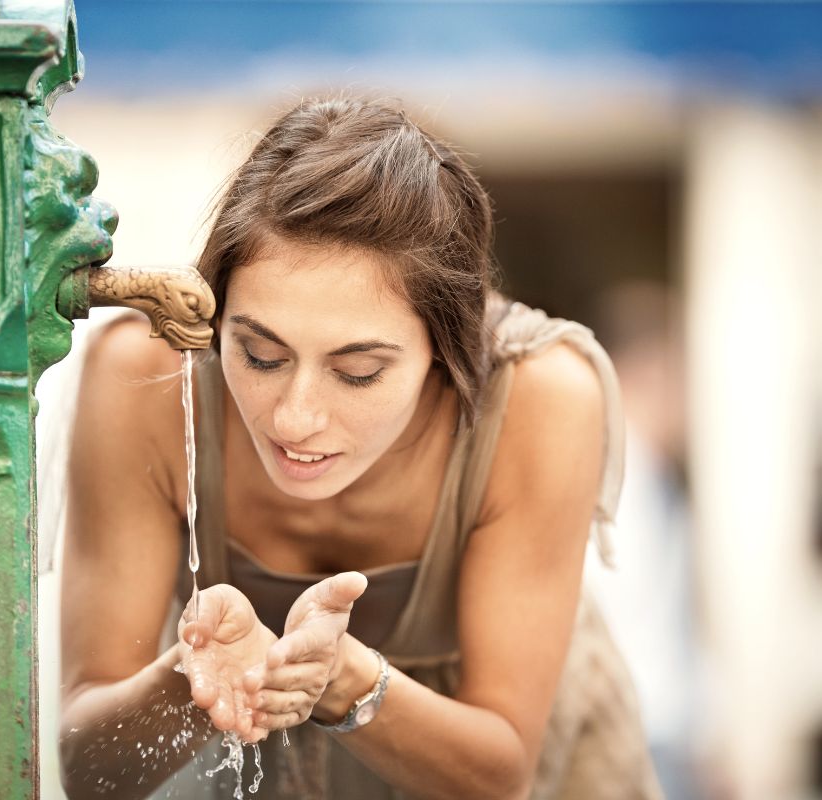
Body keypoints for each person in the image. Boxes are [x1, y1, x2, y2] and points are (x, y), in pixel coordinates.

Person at [58, 97, 662, 799]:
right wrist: (194, 678)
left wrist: (341, 679)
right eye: (258, 355)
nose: (295, 417)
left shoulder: (540, 397)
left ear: (446, 348)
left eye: (358, 373)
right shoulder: (148, 379)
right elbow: (88, 769)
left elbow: (502, 774)